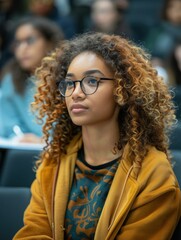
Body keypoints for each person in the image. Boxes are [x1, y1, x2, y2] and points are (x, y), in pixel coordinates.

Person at [13, 32, 181, 239]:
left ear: (122, 90)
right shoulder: (53, 162)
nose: (76, 93)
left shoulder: (154, 172)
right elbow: (33, 233)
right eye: (70, 83)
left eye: (92, 81)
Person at [0, 16, 64, 142]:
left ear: (49, 43)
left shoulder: (67, 75)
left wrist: (45, 141)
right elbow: (8, 123)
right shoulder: (11, 78)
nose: (22, 49)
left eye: (30, 40)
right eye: (18, 43)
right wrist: (20, 137)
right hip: (23, 150)